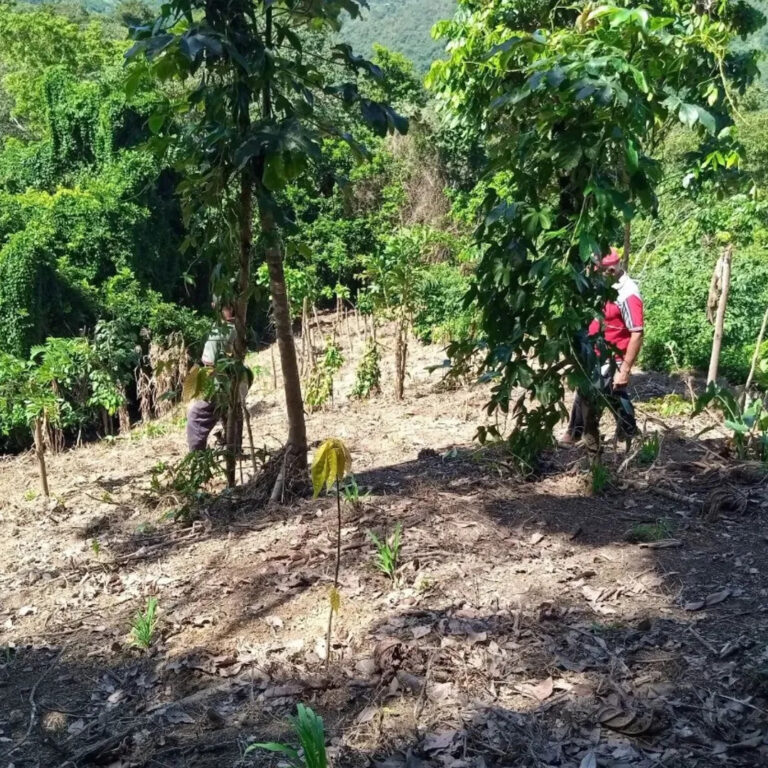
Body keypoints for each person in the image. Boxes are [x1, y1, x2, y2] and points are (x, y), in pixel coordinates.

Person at [563, 247, 644, 444]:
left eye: (604, 272)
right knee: (606, 392)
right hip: (595, 351)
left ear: (613, 269)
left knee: (598, 391)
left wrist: (624, 369)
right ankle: (626, 432)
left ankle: (578, 433)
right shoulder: (601, 288)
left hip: (612, 356)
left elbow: (637, 332)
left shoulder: (628, 294)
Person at [186, 301, 237, 452]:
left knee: (196, 417)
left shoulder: (220, 330)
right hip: (235, 382)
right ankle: (234, 449)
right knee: (232, 413)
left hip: (220, 383)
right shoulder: (239, 328)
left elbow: (209, 362)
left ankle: (197, 456)